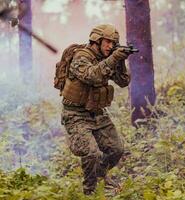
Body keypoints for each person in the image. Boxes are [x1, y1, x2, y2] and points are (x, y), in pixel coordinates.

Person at [60, 24, 131, 195]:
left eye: (113, 43)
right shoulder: (81, 56)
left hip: (97, 113)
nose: (110, 46)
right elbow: (92, 76)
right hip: (75, 114)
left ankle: (99, 175)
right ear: (96, 40)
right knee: (91, 153)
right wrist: (113, 58)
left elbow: (123, 82)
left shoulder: (107, 57)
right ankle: (90, 191)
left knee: (116, 149)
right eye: (107, 42)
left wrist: (120, 60)